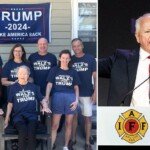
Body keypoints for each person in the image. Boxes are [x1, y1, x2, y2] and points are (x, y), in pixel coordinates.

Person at [99, 13, 150, 106]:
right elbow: (92, 66)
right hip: (131, 119)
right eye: (147, 31)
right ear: (137, 37)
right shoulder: (120, 59)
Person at [4, 65, 51, 150]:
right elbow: (10, 104)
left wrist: (45, 106)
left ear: (28, 75)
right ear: (17, 75)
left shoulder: (34, 87)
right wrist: (7, 119)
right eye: (21, 73)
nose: (22, 76)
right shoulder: (13, 88)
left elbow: (42, 99)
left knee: (31, 130)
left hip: (32, 116)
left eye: (25, 74)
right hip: (18, 116)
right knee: (22, 130)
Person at [45, 50, 80, 150]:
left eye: (67, 58)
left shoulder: (73, 72)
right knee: (55, 125)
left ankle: (65, 146)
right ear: (60, 58)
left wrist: (76, 100)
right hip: (57, 98)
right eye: (63, 58)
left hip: (70, 98)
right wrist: (47, 97)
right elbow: (49, 84)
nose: (65, 60)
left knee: (68, 124)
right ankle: (51, 145)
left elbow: (76, 87)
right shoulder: (54, 70)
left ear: (69, 59)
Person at [1, 43, 34, 150]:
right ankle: (15, 141)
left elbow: (32, 79)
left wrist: (24, 81)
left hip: (25, 97)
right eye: (16, 51)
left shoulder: (27, 64)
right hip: (11, 97)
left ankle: (26, 141)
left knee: (25, 122)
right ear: (13, 52)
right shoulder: (8, 64)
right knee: (13, 120)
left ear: (23, 52)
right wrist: (14, 83)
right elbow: (3, 81)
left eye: (20, 51)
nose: (18, 53)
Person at [70, 38, 97, 150]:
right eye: (74, 46)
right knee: (73, 118)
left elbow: (95, 77)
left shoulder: (90, 58)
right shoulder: (70, 60)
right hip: (73, 94)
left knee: (88, 118)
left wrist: (95, 92)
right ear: (72, 47)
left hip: (87, 93)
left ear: (82, 46)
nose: (76, 48)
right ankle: (73, 139)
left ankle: (87, 142)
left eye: (78, 45)